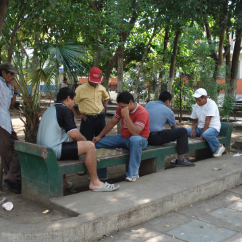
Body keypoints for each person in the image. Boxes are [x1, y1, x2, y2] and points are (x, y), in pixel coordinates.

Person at [37, 87, 119, 192]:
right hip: (53, 151)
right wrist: (86, 141)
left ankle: (63, 182)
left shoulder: (50, 109)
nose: (74, 103)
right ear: (68, 98)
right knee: (90, 146)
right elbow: (74, 134)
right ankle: (95, 182)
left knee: (66, 142)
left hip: (42, 149)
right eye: (74, 100)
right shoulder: (65, 110)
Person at [92, 91, 150, 182]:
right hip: (123, 138)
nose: (121, 108)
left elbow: (135, 132)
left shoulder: (142, 112)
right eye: (120, 106)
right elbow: (112, 122)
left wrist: (126, 116)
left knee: (134, 139)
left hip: (139, 140)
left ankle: (133, 173)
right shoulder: (121, 108)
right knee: (97, 143)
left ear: (131, 102)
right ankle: (101, 174)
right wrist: (99, 136)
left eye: (123, 106)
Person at [74, 67, 109, 179]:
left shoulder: (101, 87)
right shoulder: (80, 89)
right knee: (84, 144)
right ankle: (83, 169)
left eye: (97, 82)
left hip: (100, 118)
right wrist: (77, 115)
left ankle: (101, 171)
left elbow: (106, 97)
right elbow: (70, 103)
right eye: (93, 82)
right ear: (89, 77)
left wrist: (104, 106)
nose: (95, 84)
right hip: (87, 120)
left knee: (102, 143)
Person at [145, 91, 195, 167]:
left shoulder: (149, 104)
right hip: (154, 138)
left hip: (143, 136)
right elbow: (174, 129)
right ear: (167, 101)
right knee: (183, 131)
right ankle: (180, 159)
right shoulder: (169, 111)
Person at [0, 62, 21, 193]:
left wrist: (15, 91)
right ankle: (11, 180)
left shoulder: (7, 86)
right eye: (10, 74)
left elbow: (11, 106)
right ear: (3, 73)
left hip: (6, 121)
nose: (12, 77)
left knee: (17, 148)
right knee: (7, 151)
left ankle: (11, 178)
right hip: (1, 123)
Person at [187, 88, 225, 157]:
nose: (197, 102)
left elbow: (207, 122)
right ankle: (181, 155)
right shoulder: (196, 106)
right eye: (196, 100)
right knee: (184, 131)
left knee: (206, 135)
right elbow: (194, 120)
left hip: (213, 128)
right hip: (200, 128)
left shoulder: (211, 104)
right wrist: (193, 130)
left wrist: (202, 135)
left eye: (199, 100)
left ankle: (219, 146)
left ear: (205, 98)